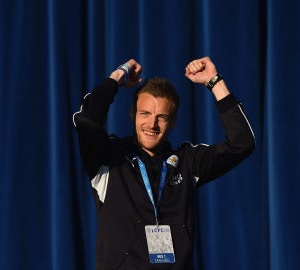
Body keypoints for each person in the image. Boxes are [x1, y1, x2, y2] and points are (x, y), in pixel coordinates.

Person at [73, 56, 255, 270]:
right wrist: (118, 76)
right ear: (133, 115)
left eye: (162, 117)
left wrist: (214, 81)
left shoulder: (187, 161)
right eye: (145, 114)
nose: (152, 124)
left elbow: (241, 143)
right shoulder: (108, 157)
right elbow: (85, 120)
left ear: (173, 122)